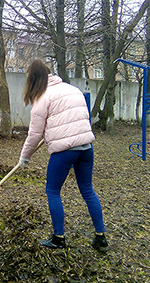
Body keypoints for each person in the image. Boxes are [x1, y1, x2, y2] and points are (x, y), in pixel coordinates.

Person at [18, 60, 108, 252]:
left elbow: (34, 134)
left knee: (52, 191)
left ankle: (59, 237)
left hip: (65, 151)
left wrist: (24, 157)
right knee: (87, 191)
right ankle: (101, 237)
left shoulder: (42, 98)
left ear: (33, 79)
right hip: (86, 148)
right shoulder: (72, 89)